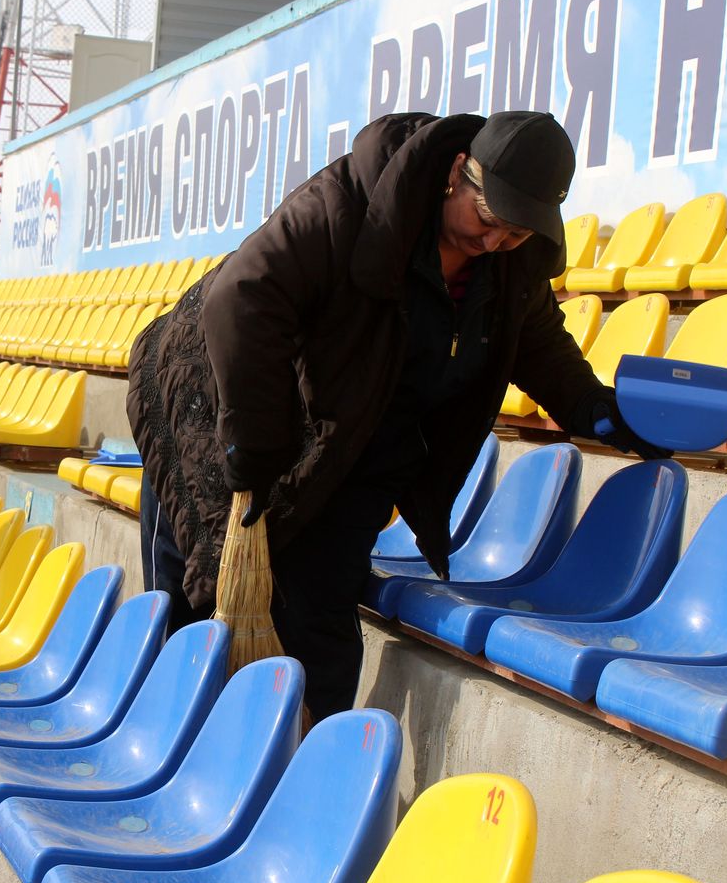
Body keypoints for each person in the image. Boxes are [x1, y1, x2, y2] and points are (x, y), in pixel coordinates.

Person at [126, 110, 669, 723]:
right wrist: (252, 450)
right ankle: (177, 744)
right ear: (457, 173)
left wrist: (597, 410)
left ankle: (304, 764)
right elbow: (241, 299)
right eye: (487, 219)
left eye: (515, 233)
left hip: (350, 437)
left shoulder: (511, 264)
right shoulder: (345, 204)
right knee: (195, 601)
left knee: (320, 618)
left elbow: (539, 345)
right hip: (209, 399)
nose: (494, 242)